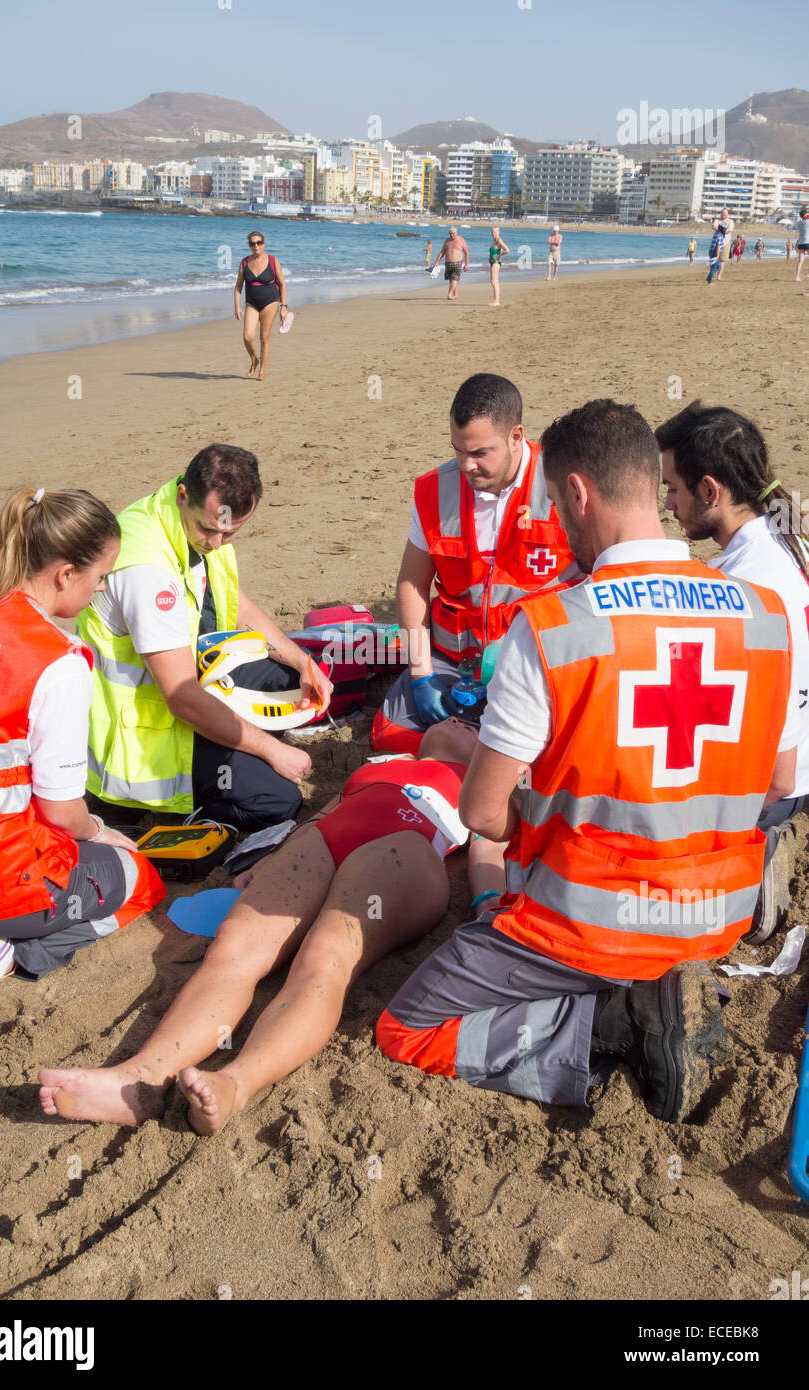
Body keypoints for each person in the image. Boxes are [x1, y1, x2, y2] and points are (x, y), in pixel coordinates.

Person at [377, 399, 797, 1124]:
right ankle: (643, 992)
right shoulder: (766, 613)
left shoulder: (552, 627)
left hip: (589, 920)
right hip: (719, 912)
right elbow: (780, 780)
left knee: (406, 1028)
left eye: (557, 507)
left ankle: (616, 1021)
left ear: (578, 493)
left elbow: (482, 814)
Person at [38, 718, 506, 1130]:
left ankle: (235, 1084)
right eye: (454, 718)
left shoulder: (482, 780)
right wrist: (273, 857)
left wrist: (488, 902)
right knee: (236, 947)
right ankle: (137, 1080)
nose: (462, 722)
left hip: (405, 850)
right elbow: (324, 814)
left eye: (475, 725)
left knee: (325, 957)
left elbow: (487, 847)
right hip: (328, 839)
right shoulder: (379, 761)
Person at [0, 489, 165, 1010]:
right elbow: (63, 814)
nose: (102, 587)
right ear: (66, 574)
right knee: (137, 880)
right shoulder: (57, 660)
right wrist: (104, 834)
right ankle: (10, 953)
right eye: (100, 576)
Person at [78, 445, 333, 834]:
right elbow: (182, 699)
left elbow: (239, 605)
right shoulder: (148, 571)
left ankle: (235, 746)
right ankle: (167, 809)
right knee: (279, 800)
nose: (216, 543)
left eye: (230, 532)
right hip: (144, 734)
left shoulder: (180, 513)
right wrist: (273, 751)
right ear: (184, 495)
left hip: (181, 682)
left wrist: (302, 662)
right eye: (209, 530)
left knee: (288, 683)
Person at [657, 401, 809, 944]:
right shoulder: (787, 535)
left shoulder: (742, 588)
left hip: (780, 786)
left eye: (673, 489)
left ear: (710, 491)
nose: (669, 504)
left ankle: (751, 867)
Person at [372, 373, 576, 754]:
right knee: (391, 736)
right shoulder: (436, 490)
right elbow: (412, 583)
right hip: (455, 666)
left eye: (481, 453)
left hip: (537, 666)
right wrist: (420, 673)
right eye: (458, 450)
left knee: (539, 752)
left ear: (516, 436)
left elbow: (599, 578)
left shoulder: (562, 484)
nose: (466, 466)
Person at [233, 231, 289, 381]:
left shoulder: (272, 260)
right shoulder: (245, 262)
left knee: (264, 337)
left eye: (259, 243)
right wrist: (237, 306)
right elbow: (238, 286)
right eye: (252, 243)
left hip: (270, 302)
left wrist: (284, 306)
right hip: (251, 303)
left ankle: (262, 370)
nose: (256, 246)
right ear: (249, 245)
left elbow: (282, 284)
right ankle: (254, 360)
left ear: (264, 243)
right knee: (247, 337)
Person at [432, 227, 470, 302]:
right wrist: (437, 261)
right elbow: (442, 252)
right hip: (448, 263)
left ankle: (449, 294)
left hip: (457, 263)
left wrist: (466, 264)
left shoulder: (461, 240)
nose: (452, 235)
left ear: (456, 232)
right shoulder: (447, 241)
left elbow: (466, 252)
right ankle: (455, 294)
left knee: (454, 279)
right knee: (451, 280)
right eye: (450, 233)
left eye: (453, 233)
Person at [488, 225, 510, 307]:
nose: (492, 233)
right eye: (492, 232)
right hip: (492, 261)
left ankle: (497, 301)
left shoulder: (499, 240)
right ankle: (495, 300)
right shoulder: (494, 240)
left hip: (496, 262)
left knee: (494, 282)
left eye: (494, 232)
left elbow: (507, 250)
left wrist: (500, 255)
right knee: (492, 281)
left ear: (498, 232)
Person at [796, 208, 809, 283]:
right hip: (808, 242)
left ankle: (797, 277)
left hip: (801, 243)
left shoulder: (799, 223)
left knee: (800, 261)